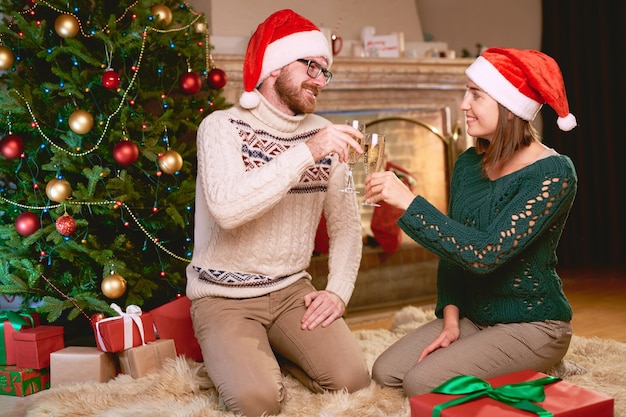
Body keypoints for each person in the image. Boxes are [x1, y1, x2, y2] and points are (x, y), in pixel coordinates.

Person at [185, 9, 370, 417]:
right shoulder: (220, 127)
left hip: (290, 291)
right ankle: (251, 361)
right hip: (223, 297)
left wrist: (338, 291)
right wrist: (306, 152)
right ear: (273, 66)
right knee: (258, 402)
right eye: (312, 67)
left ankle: (275, 352)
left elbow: (344, 227)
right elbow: (229, 209)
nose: (320, 81)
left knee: (352, 380)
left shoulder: (324, 135)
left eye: (325, 72)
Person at [364, 47, 578, 396]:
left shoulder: (552, 173)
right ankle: (497, 361)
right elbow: (454, 251)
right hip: (475, 318)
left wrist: (410, 203)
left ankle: (544, 362)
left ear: (510, 108)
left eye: (475, 94)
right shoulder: (467, 164)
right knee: (386, 372)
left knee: (421, 383)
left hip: (534, 325)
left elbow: (485, 253)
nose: (464, 104)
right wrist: (450, 321)